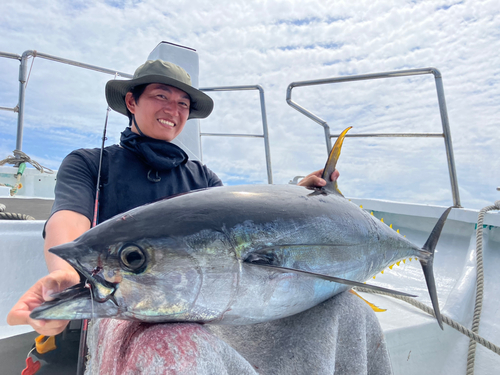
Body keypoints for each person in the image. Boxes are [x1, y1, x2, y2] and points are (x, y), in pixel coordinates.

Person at [8, 60, 392, 374]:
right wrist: (66, 275)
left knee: (348, 310)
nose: (173, 110)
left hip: (203, 312)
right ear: (130, 101)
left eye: (183, 104)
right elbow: (69, 221)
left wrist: (301, 198)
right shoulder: (89, 163)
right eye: (161, 96)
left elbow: (244, 230)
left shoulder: (204, 179)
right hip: (123, 316)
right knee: (176, 345)